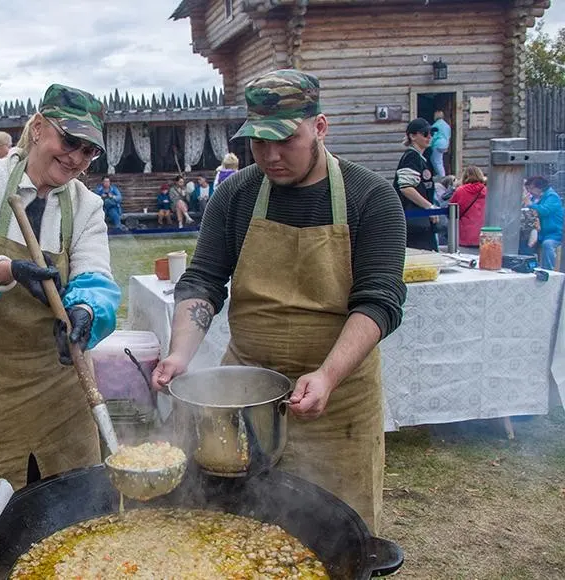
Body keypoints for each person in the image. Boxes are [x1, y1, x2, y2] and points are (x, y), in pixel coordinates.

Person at [152, 70, 406, 533]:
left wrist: (328, 375)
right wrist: (180, 354)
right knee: (233, 529)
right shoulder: (236, 194)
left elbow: (380, 301)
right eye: (258, 142)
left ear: (320, 127)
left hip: (338, 402)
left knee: (334, 533)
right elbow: (204, 281)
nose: (270, 156)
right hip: (241, 400)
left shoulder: (371, 197)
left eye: (285, 139)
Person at [0, 84, 121, 558]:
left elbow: (96, 277)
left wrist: (84, 312)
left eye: (88, 150)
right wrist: (5, 269)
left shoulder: (86, 206)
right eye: (68, 140)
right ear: (37, 128)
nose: (76, 157)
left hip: (60, 389)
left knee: (75, 521)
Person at [394, 118, 438, 251]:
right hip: (413, 222)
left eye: (431, 134)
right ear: (412, 136)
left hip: (420, 221)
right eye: (425, 134)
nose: (429, 137)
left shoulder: (421, 158)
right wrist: (429, 207)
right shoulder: (411, 157)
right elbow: (406, 188)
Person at [524, 175, 563, 269]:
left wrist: (530, 204)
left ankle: (549, 270)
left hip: (554, 233)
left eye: (531, 188)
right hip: (539, 233)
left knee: (547, 244)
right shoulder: (535, 198)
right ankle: (528, 267)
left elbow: (544, 211)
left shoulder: (552, 197)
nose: (529, 191)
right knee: (524, 243)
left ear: (539, 188)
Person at [449, 166, 487, 248]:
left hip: (465, 234)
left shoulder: (460, 191)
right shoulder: (487, 191)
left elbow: (451, 210)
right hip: (483, 234)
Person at [429, 111, 451, 177]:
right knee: (440, 160)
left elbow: (433, 136)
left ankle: (441, 176)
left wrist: (430, 145)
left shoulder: (435, 125)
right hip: (445, 144)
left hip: (437, 144)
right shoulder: (447, 125)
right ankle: (440, 174)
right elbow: (448, 135)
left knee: (436, 161)